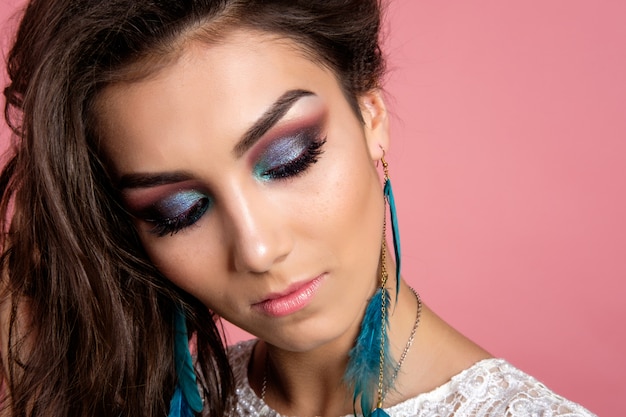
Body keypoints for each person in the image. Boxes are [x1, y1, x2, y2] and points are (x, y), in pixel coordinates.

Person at [0, 0, 596, 416]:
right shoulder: (169, 402)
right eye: (179, 209)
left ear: (371, 115)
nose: (258, 248)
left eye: (288, 158)